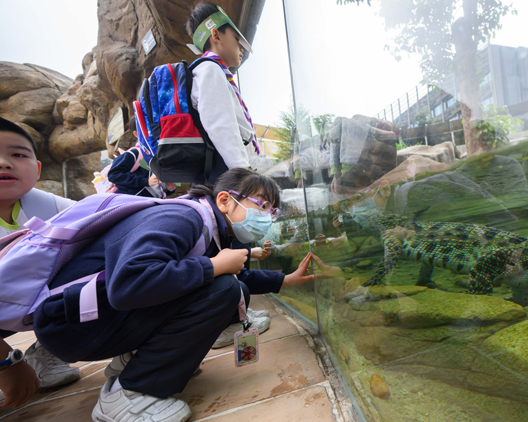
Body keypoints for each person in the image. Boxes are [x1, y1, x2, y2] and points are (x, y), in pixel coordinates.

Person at [0, 167, 317, 421]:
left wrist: (286, 279)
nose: (267, 217)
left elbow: (240, 274)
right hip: (73, 326)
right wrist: (213, 267)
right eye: (261, 205)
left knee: (229, 285)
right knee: (222, 289)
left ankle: (133, 363)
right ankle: (130, 397)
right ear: (224, 200)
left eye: (271, 212)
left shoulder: (210, 229)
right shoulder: (182, 218)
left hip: (91, 319)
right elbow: (129, 284)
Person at [0, 117, 80, 402]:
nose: (4, 163)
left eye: (17, 154)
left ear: (36, 169)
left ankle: (48, 350)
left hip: (23, 301)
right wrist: (8, 364)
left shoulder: (45, 204)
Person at [185, 2, 261, 184]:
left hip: (221, 167)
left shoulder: (209, 70)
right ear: (216, 35)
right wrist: (243, 174)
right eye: (237, 39)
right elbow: (221, 125)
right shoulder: (210, 70)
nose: (241, 47)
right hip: (221, 171)